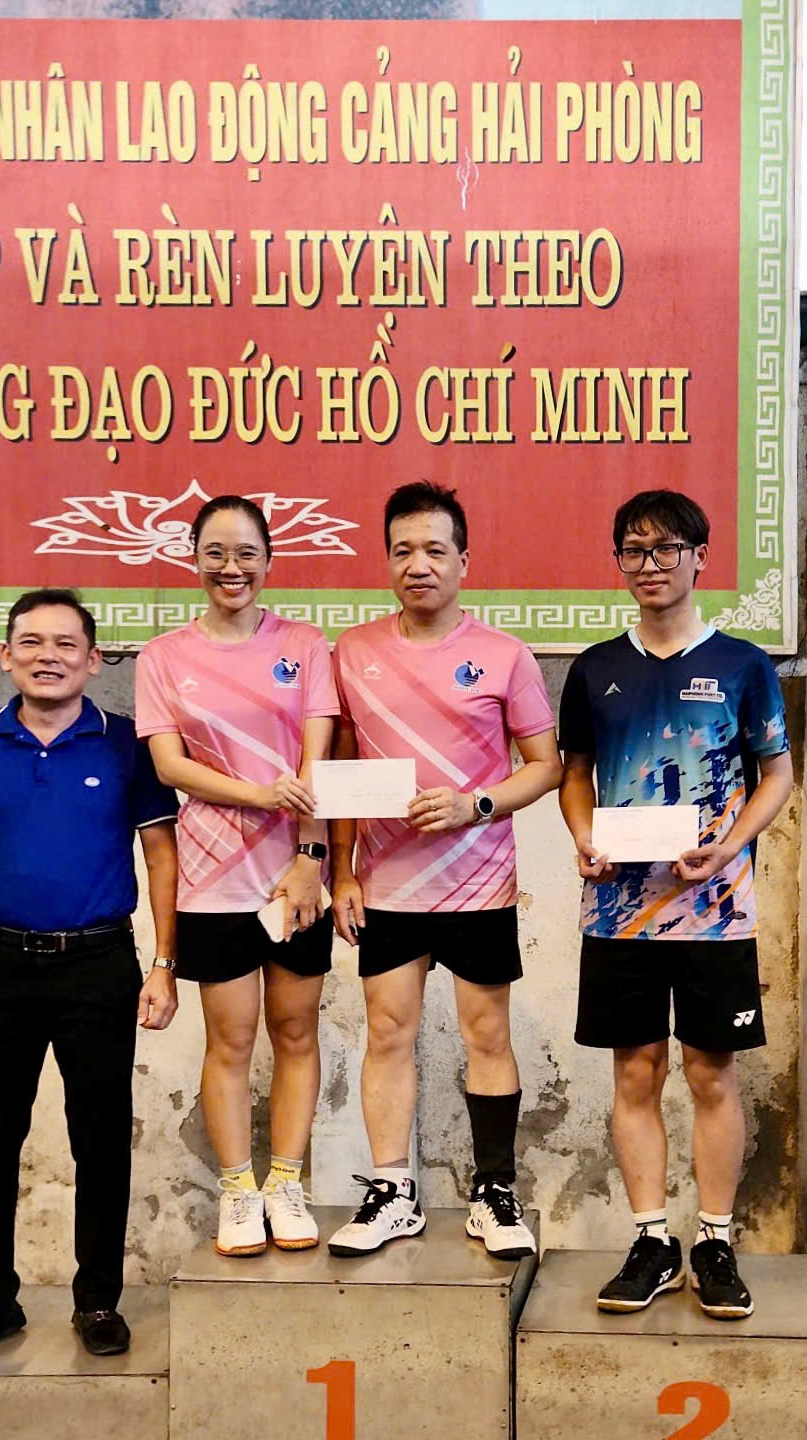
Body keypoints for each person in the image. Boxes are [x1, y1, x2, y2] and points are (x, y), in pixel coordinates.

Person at [0, 588, 178, 1365]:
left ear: (94, 661)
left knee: (100, 1139)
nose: (48, 657)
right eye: (31, 642)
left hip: (99, 964)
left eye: (67, 644)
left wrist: (164, 963)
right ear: (6, 656)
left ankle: (98, 1299)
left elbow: (162, 854)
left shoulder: (128, 744)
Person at [559, 490, 792, 1318]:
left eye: (666, 550)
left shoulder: (742, 665)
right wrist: (583, 836)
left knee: (710, 1073)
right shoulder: (594, 669)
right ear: (619, 562)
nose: (649, 565)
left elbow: (777, 775)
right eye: (634, 550)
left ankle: (716, 1242)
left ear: (700, 557)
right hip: (617, 911)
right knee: (635, 1071)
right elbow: (575, 776)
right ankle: (653, 1240)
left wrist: (729, 848)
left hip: (715, 910)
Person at [328, 481, 561, 1257]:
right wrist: (341, 873)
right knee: (387, 1032)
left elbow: (547, 766)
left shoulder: (503, 656)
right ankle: (392, 1192)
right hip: (387, 885)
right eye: (402, 551)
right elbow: (340, 770)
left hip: (479, 883)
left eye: (434, 549)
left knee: (485, 1032)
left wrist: (476, 805)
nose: (418, 564)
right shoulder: (352, 653)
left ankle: (493, 1193)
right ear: (386, 561)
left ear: (464, 561)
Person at [134, 495, 340, 1257]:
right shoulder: (163, 658)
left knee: (296, 1031)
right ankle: (238, 1192)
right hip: (211, 879)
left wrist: (310, 860)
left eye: (247, 553)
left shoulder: (306, 646)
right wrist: (259, 794)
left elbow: (319, 762)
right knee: (230, 1039)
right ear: (194, 559)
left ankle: (286, 1184)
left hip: (295, 878)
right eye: (216, 552)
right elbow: (169, 765)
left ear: (268, 560)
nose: (232, 567)